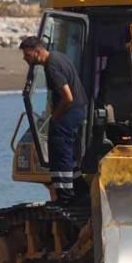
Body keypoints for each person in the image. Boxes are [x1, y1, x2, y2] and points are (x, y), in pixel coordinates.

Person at [18, 36, 88, 207]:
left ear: (37, 51)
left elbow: (67, 97)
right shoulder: (59, 57)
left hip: (69, 113)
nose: (25, 59)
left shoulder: (51, 67)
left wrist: (55, 116)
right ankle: (80, 190)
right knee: (70, 155)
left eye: (27, 55)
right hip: (78, 111)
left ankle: (65, 197)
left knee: (59, 153)